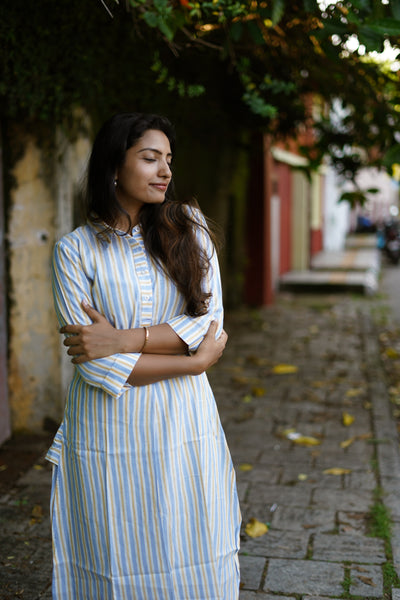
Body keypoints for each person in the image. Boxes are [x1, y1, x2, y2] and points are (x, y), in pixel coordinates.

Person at [46, 113, 241, 599]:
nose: (165, 171)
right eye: (150, 158)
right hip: (108, 426)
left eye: (168, 160)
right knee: (115, 552)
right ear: (115, 166)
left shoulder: (189, 229)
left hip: (183, 422)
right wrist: (192, 364)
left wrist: (124, 338)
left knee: (195, 541)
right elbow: (95, 363)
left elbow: (208, 325)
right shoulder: (75, 251)